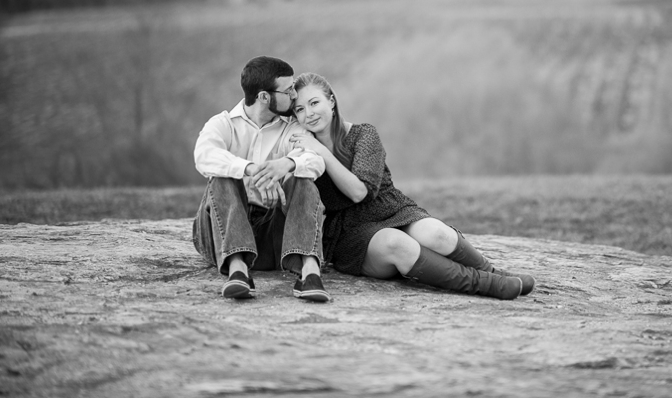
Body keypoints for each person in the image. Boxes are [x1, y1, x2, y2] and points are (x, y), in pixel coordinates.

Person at [288, 72, 536, 301]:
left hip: (391, 209)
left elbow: (360, 190)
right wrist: (316, 151)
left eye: (314, 103)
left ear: (331, 101)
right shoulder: (304, 150)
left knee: (438, 234)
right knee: (398, 244)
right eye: (299, 109)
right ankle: (487, 284)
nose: (308, 113)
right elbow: (346, 196)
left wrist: (323, 151)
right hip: (349, 231)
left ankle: (492, 272)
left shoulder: (364, 135)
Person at [192, 56, 331, 302]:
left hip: (273, 238)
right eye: (289, 91)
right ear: (265, 97)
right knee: (222, 175)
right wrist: (251, 170)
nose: (295, 96)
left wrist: (286, 164)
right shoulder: (223, 124)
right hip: (220, 236)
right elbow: (204, 156)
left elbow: (316, 160)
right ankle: (238, 271)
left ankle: (310, 272)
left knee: (302, 178)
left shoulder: (291, 128)